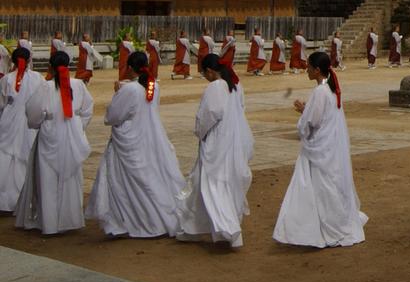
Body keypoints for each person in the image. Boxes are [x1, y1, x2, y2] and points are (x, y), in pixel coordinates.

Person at [86, 51, 186, 238]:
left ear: (130, 67)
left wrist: (118, 93)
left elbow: (112, 117)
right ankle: (156, 217)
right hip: (149, 137)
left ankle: (129, 220)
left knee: (125, 182)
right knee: (149, 179)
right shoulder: (153, 86)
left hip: (130, 140)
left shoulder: (130, 90)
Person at [273, 51, 367, 248]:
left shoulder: (320, 92)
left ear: (317, 70)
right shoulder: (331, 90)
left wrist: (303, 118)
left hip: (320, 149)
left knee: (320, 187)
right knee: (329, 185)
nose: (306, 70)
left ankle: (321, 225)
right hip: (330, 147)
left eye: (308, 67)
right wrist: (306, 109)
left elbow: (312, 121)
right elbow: (323, 115)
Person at [177, 54, 254, 248]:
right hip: (233, 138)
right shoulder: (236, 86)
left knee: (213, 183)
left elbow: (209, 114)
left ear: (210, 71)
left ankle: (229, 229)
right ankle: (191, 227)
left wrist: (199, 131)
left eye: (204, 74)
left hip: (217, 140)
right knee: (204, 182)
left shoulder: (216, 86)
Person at [14, 51, 94, 234]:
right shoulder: (78, 85)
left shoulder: (46, 86)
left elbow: (33, 113)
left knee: (47, 178)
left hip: (50, 132)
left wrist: (39, 122)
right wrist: (78, 126)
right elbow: (88, 108)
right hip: (71, 132)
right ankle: (70, 220)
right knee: (70, 177)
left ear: (50, 65)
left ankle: (49, 224)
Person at [0, 47, 42, 212]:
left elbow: (1, 104)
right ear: (29, 60)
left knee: (7, 156)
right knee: (27, 156)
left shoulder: (6, 80)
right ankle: (26, 199)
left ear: (13, 61)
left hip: (9, 122)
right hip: (30, 120)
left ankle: (5, 201)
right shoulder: (38, 78)